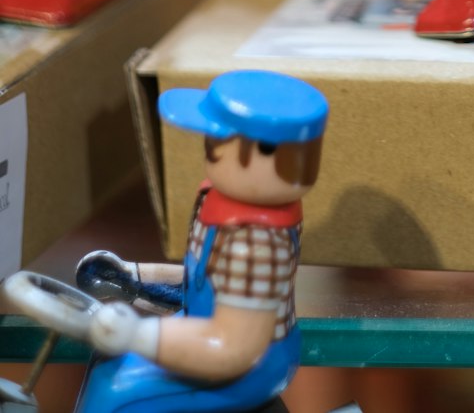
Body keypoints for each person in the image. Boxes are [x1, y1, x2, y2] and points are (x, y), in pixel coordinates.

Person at [75, 70, 328, 413]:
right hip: (207, 332)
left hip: (247, 368)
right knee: (106, 358)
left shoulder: (255, 243)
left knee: (113, 394)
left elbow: (235, 348)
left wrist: (137, 334)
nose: (209, 146)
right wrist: (132, 279)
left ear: (264, 153)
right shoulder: (221, 205)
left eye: (216, 141)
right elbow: (202, 285)